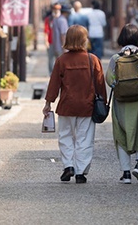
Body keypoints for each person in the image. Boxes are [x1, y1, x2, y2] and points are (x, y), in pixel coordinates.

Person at [43, 25, 107, 184]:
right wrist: (103, 102)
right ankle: (80, 172)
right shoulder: (93, 60)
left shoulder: (61, 60)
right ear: (84, 40)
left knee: (65, 136)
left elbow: (54, 84)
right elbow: (100, 84)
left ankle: (68, 166)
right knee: (84, 139)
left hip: (66, 106)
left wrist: (48, 103)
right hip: (87, 106)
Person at [106, 23, 138, 184]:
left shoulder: (116, 58)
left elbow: (110, 80)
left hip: (121, 101)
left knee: (122, 134)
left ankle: (126, 173)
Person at [44, 3, 61, 74]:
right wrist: (46, 41)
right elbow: (46, 31)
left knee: (60, 59)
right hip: (51, 42)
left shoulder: (62, 19)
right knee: (50, 59)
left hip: (60, 43)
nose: (56, 10)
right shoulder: (49, 19)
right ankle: (51, 74)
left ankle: (59, 73)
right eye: (55, 8)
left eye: (58, 9)